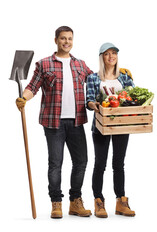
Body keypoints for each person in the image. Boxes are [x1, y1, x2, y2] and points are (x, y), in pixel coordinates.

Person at [16, 27, 131, 219]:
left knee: (81, 162)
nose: (66, 42)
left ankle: (75, 201)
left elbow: (97, 78)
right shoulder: (44, 64)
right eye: (63, 38)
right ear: (56, 40)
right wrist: (24, 99)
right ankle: (56, 203)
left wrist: (118, 73)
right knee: (55, 164)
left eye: (69, 38)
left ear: (72, 40)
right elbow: (32, 87)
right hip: (53, 123)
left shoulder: (80, 65)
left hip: (77, 121)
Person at [86, 42, 135, 218]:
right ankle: (98, 201)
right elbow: (89, 99)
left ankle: (121, 201)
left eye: (113, 53)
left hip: (122, 125)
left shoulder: (124, 77)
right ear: (102, 57)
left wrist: (132, 78)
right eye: (107, 54)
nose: (111, 56)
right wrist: (94, 105)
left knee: (119, 164)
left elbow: (134, 98)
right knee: (100, 164)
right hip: (101, 126)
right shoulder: (93, 78)